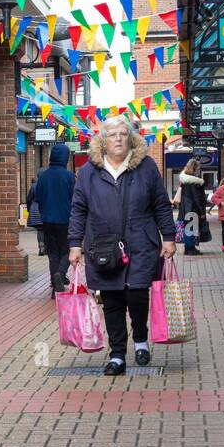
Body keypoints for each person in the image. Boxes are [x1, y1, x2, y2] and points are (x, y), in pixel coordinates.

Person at [68, 116, 176, 376]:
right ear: (103, 142)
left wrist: (169, 237)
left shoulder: (146, 167)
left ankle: (140, 340)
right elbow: (78, 209)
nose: (118, 139)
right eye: (112, 135)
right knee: (113, 298)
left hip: (141, 242)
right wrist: (74, 244)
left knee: (137, 294)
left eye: (122, 134)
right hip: (103, 246)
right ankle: (117, 355)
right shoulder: (89, 172)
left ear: (130, 138)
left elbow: (161, 204)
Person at [34, 142, 76, 297]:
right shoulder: (69, 176)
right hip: (65, 220)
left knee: (52, 253)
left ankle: (54, 288)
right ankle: (60, 273)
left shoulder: (43, 175)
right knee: (66, 251)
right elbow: (76, 199)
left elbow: (37, 197)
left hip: (47, 220)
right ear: (65, 158)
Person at [174, 158, 208, 256]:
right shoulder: (194, 181)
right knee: (191, 230)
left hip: (185, 208)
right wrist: (202, 212)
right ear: (194, 168)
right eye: (198, 168)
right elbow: (197, 198)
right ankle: (190, 249)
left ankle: (189, 248)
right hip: (193, 208)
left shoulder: (185, 180)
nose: (199, 170)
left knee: (188, 229)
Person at [26, 177, 44, 257]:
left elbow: (29, 199)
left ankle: (41, 247)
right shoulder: (46, 185)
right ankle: (47, 248)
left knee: (40, 230)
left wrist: (29, 209)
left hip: (35, 210)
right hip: (46, 210)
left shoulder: (33, 186)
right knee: (47, 230)